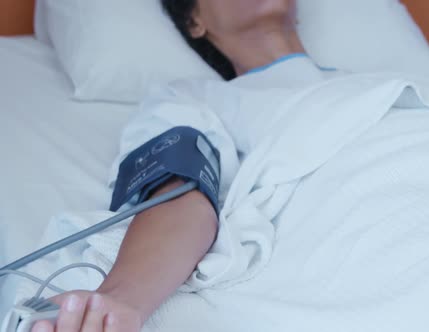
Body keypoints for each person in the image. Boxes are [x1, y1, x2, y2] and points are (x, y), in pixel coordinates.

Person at [31, 0, 310, 331]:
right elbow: (178, 190)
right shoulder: (194, 99)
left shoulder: (378, 85)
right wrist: (118, 302)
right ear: (194, 22)